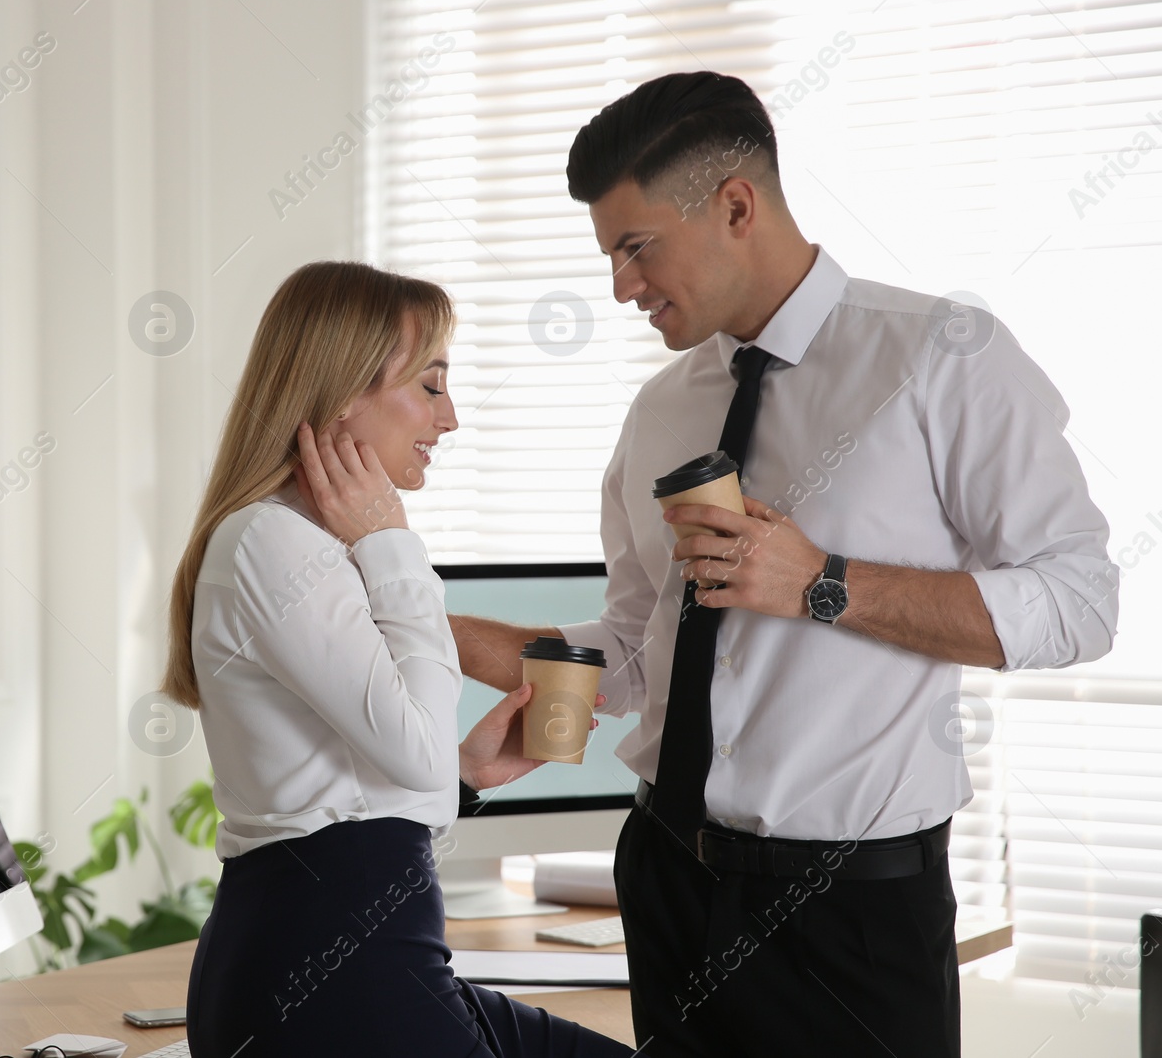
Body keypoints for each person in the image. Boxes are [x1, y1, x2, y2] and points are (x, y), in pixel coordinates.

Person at [449, 72, 1119, 1057]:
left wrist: (819, 580)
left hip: (849, 911)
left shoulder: (940, 356)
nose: (620, 287)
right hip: (669, 878)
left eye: (637, 249)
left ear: (734, 207)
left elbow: (1079, 602)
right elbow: (638, 654)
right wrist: (421, 622)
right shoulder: (661, 409)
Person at [164, 260, 637, 1057]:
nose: (449, 417)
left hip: (370, 953)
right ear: (343, 390)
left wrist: (463, 773)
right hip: (328, 971)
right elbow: (407, 765)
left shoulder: (308, 544)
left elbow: (374, 779)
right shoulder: (272, 542)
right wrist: (393, 543)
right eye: (430, 384)